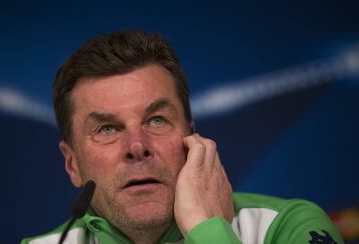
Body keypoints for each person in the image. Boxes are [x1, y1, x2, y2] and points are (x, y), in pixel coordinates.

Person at [22, 31, 343, 244]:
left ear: (192, 139)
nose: (137, 147)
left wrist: (208, 231)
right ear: (72, 164)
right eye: (107, 129)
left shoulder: (286, 228)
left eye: (156, 120)